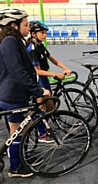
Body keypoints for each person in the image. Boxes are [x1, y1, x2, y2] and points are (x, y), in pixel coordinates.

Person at [0, 8, 50, 178]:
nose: (28, 28)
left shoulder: (13, 41)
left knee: (24, 127)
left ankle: (22, 158)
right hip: (12, 94)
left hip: (15, 92)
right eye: (26, 25)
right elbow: (17, 72)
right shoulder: (10, 42)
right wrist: (37, 90)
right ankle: (15, 167)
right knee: (17, 132)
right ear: (14, 25)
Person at [26, 20, 71, 143]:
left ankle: (45, 127)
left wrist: (65, 68)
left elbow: (53, 59)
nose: (45, 35)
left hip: (44, 78)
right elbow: (37, 71)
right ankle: (41, 134)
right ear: (34, 34)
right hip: (37, 79)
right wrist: (55, 74)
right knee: (41, 107)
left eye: (45, 32)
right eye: (42, 32)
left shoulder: (40, 45)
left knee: (50, 106)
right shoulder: (32, 48)